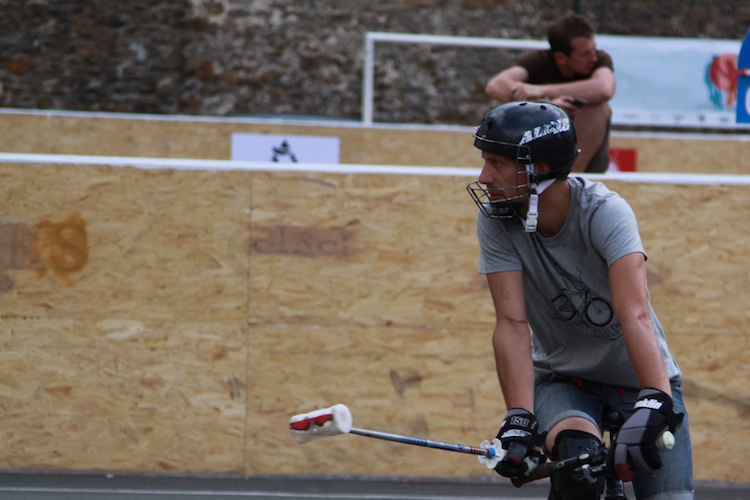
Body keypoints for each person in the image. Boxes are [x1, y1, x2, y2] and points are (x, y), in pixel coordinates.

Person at [466, 101, 694, 499]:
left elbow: (635, 313)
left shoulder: (605, 212)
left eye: (496, 164)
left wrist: (656, 400)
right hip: (565, 379)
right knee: (578, 466)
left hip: (638, 380)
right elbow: (512, 324)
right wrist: (519, 418)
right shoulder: (495, 218)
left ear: (538, 168)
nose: (484, 177)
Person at [484, 14, 615, 173]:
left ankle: (572, 175)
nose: (593, 57)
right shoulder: (539, 60)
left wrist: (540, 91)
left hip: (589, 159)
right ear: (561, 58)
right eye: (584, 54)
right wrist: (547, 107)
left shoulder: (600, 59)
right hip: (540, 153)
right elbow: (495, 86)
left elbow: (604, 88)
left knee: (597, 107)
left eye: (594, 49)